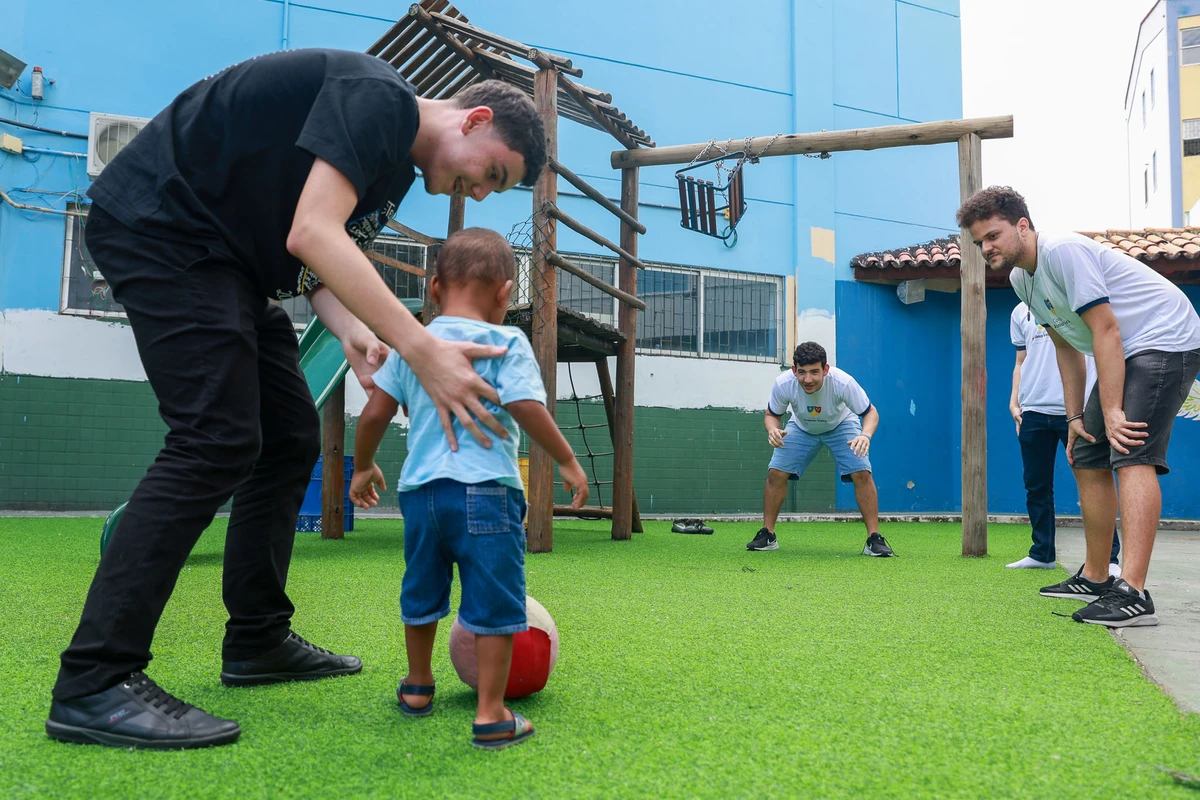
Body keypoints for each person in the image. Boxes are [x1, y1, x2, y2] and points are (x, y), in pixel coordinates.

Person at [47, 48, 547, 750]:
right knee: (215, 437)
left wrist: (350, 331)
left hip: (229, 262)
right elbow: (310, 229)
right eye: (493, 172)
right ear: (476, 119)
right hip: (166, 225)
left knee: (285, 438)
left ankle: (256, 640)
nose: (483, 192)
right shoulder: (382, 99)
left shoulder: (391, 169)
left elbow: (315, 255)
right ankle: (95, 680)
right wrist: (416, 344)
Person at [348, 227, 588, 750]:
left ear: (434, 288)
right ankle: (490, 713)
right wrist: (567, 459)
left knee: (422, 590)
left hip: (420, 496)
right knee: (495, 600)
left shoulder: (413, 341)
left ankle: (417, 687)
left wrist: (362, 466)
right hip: (487, 493)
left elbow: (374, 412)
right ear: (506, 293)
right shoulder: (506, 341)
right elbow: (527, 407)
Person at [959, 186, 1200, 627]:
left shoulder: (1063, 252)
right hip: (1126, 348)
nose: (986, 248)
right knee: (1088, 452)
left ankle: (1134, 594)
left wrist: (1111, 411)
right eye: (979, 243)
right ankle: (1095, 576)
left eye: (992, 236)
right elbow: (1067, 349)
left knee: (1130, 449)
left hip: (1164, 337)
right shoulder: (1021, 279)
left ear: (1023, 226)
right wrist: (1075, 418)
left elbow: (1105, 331)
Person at [747, 342, 894, 557]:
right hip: (801, 426)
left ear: (825, 369)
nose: (808, 379)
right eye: (802, 372)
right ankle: (768, 535)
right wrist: (773, 430)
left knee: (862, 472)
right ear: (794, 370)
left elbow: (870, 413)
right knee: (776, 473)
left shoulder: (843, 382)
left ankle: (874, 539)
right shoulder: (784, 383)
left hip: (841, 424)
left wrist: (865, 435)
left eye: (815, 372)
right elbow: (772, 415)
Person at [1008, 301, 1121, 573]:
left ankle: (1109, 559)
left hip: (1079, 411)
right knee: (1036, 486)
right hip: (1032, 410)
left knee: (1094, 481)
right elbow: (1020, 361)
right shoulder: (1019, 311)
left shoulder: (1078, 300)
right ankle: (1042, 553)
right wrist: (1014, 402)